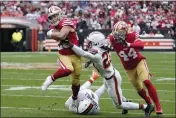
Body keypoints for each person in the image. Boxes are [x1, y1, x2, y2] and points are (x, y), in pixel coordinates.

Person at [67, 31, 148, 115]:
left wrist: (70, 44)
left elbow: (83, 53)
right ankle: (125, 101)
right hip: (111, 76)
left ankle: (145, 107)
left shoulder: (97, 54)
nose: (88, 43)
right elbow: (98, 55)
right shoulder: (102, 48)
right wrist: (90, 61)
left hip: (112, 79)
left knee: (119, 105)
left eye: (90, 42)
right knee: (114, 94)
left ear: (96, 42)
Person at [108, 21, 163, 116]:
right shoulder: (112, 38)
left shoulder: (132, 35)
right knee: (138, 89)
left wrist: (129, 44)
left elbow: (141, 45)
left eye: (120, 33)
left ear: (125, 32)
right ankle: (149, 104)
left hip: (139, 62)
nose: (117, 35)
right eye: (116, 32)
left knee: (146, 81)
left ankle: (158, 106)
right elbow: (106, 44)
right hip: (128, 68)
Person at [41, 6, 82, 108]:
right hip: (64, 54)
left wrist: (51, 34)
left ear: (60, 14)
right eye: (51, 17)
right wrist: (53, 33)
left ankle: (74, 99)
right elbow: (59, 36)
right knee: (68, 69)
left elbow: (62, 35)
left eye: (55, 15)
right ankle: (51, 78)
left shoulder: (66, 22)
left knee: (76, 80)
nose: (53, 19)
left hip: (76, 55)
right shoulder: (53, 27)